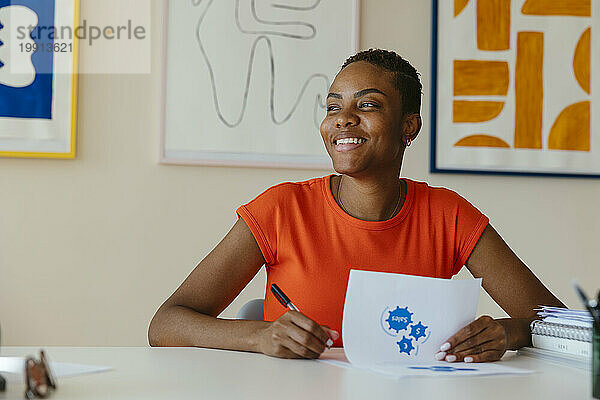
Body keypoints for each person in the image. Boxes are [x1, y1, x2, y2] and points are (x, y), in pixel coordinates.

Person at [148, 49, 565, 362]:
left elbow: (555, 322)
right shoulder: (281, 208)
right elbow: (165, 323)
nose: (343, 119)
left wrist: (506, 333)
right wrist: (258, 336)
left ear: (409, 125)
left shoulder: (449, 215)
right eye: (333, 107)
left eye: (366, 105)